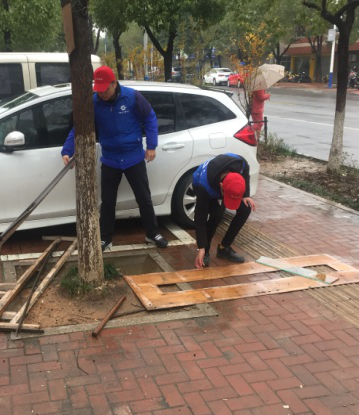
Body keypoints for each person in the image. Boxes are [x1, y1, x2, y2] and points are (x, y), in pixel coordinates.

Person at [61, 65, 168, 251]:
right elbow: (79, 127)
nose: (102, 94)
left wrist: (151, 145)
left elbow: (150, 118)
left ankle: (152, 233)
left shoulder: (132, 97)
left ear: (114, 83)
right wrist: (67, 150)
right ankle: (105, 238)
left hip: (133, 157)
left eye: (105, 90)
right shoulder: (94, 102)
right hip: (110, 159)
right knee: (108, 201)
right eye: (99, 91)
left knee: (144, 198)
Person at [192, 153, 256, 269]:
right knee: (216, 214)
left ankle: (224, 248)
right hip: (203, 183)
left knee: (245, 208)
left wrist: (246, 195)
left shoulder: (240, 164)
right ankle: (206, 250)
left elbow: (246, 170)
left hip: (224, 181)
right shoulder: (204, 186)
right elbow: (199, 218)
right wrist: (201, 247)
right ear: (221, 186)